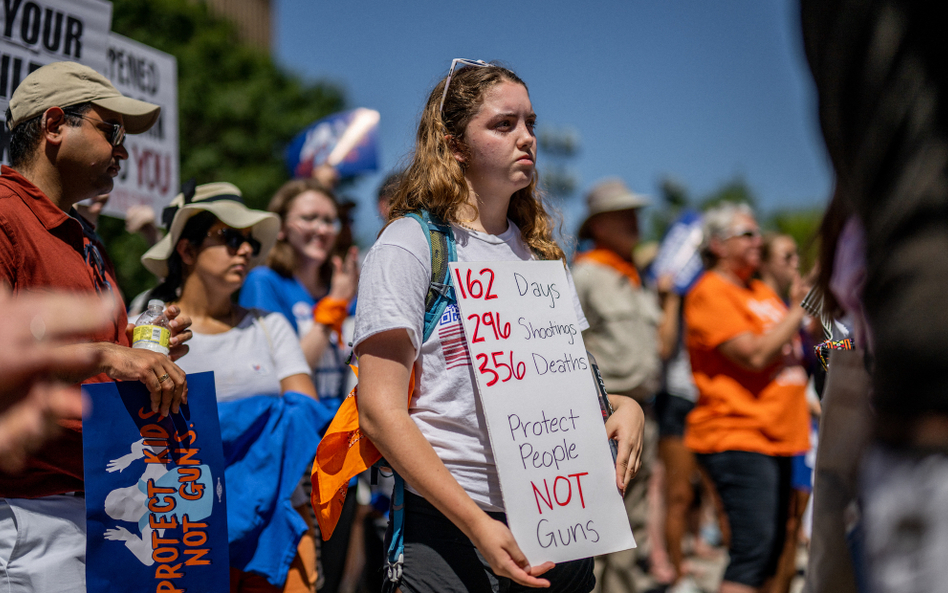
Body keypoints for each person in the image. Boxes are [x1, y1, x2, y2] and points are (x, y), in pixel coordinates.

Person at [352, 58, 646, 593]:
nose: (527, 138)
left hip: (558, 525)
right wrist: (477, 526)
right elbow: (378, 411)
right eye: (504, 124)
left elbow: (575, 381)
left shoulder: (538, 255)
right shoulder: (410, 245)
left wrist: (628, 409)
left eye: (531, 123)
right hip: (448, 535)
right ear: (454, 144)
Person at [0, 61, 192, 593]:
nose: (123, 151)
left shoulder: (82, 238)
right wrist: (111, 356)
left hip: (98, 506)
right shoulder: (4, 216)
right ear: (55, 125)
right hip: (26, 514)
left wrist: (143, 346)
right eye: (112, 132)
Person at [140, 182, 328, 593]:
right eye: (228, 238)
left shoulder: (269, 323)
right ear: (186, 252)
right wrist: (261, 416)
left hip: (275, 526)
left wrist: (214, 424)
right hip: (183, 533)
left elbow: (307, 415)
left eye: (248, 240)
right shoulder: (151, 327)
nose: (244, 249)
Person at [683, 202, 809, 593]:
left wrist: (843, 342)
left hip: (780, 436)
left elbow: (801, 349)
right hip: (738, 435)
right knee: (752, 553)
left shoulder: (760, 292)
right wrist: (798, 307)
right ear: (718, 245)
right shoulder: (709, 292)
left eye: (759, 233)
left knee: (772, 551)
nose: (759, 241)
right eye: (748, 234)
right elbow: (755, 355)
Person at [570, 178, 663, 593]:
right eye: (623, 215)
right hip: (605, 417)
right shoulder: (586, 273)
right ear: (599, 225)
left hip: (644, 412)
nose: (635, 222)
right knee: (601, 525)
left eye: (635, 214)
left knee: (634, 524)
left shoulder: (635, 275)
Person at [240, 178, 359, 409]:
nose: (322, 229)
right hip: (297, 428)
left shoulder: (341, 287)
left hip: (338, 429)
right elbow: (280, 375)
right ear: (282, 228)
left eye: (329, 221)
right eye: (309, 218)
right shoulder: (264, 282)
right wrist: (333, 306)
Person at [757, 234, 815, 593]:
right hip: (766, 428)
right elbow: (758, 355)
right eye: (787, 256)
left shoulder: (791, 306)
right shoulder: (755, 302)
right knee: (770, 528)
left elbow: (824, 354)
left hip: (801, 429)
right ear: (764, 261)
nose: (796, 263)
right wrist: (798, 311)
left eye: (798, 255)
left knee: (793, 524)